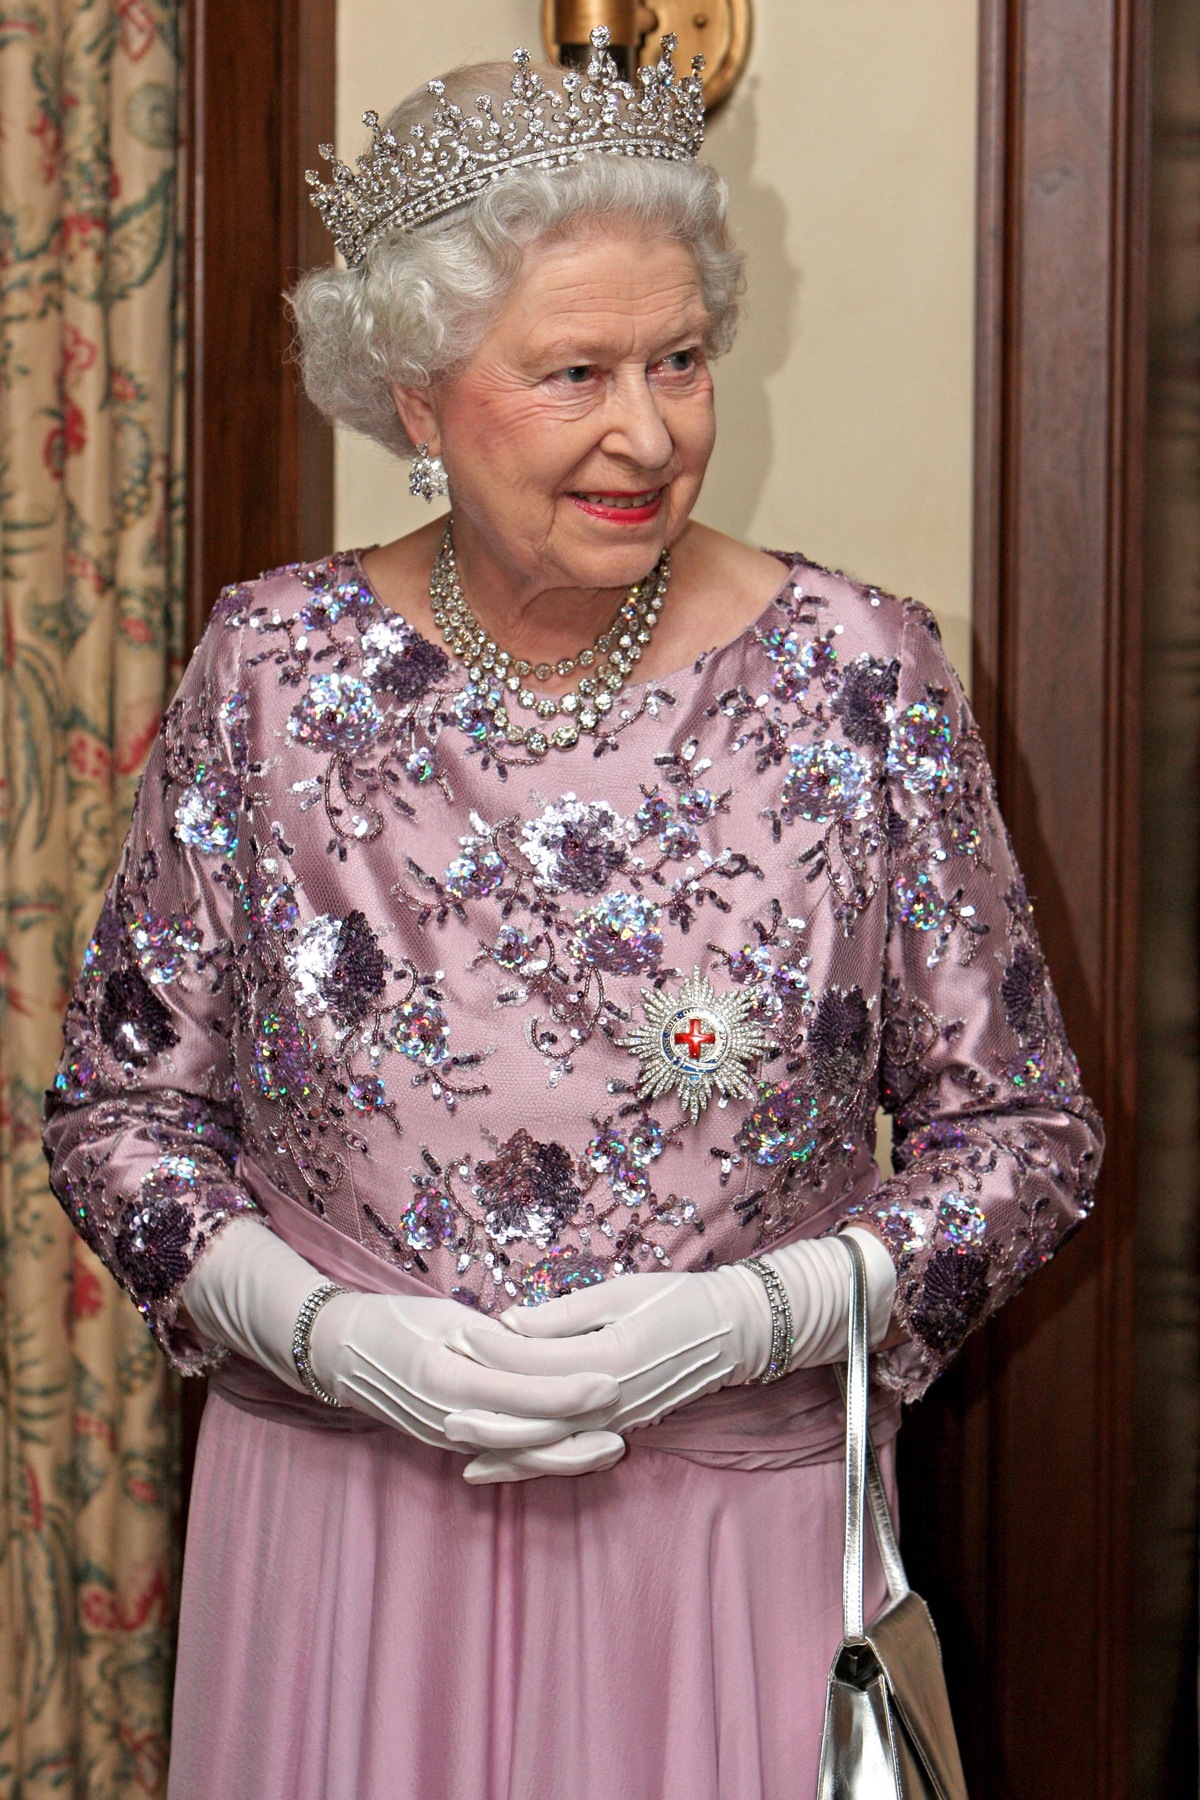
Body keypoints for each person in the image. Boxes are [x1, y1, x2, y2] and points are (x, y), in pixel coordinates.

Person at [43, 32, 1102, 1800]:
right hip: (350, 1530)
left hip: (724, 1545)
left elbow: (1024, 1137)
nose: (650, 431)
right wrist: (325, 1335)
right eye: (575, 372)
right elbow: (121, 1119)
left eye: (680, 358)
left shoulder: (861, 675)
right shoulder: (274, 671)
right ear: (416, 396)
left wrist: (760, 1316)